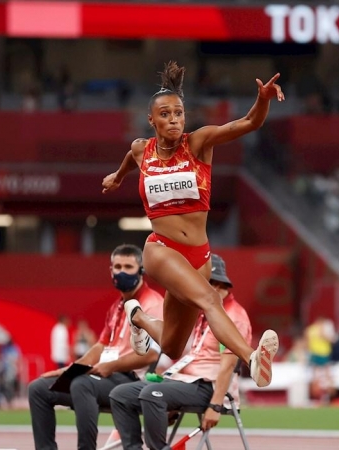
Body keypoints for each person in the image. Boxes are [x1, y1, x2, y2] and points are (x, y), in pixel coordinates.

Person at [102, 61, 283, 387]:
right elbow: (131, 158)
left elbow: (248, 122)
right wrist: (117, 177)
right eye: (165, 114)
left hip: (198, 256)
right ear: (151, 119)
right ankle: (251, 357)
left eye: (179, 113)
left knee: (171, 344)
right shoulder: (142, 150)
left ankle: (137, 316)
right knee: (209, 300)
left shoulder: (198, 143)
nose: (173, 120)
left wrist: (263, 99)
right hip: (160, 249)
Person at [28, 244, 164, 450]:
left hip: (133, 379)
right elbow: (100, 346)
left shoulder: (152, 303)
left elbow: (151, 356)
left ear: (141, 270)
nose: (122, 271)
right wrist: (72, 368)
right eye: (117, 266)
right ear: (111, 271)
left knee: (82, 384)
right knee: (38, 388)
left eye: (128, 266)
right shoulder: (117, 307)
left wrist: (111, 367)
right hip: (105, 376)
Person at [109, 254, 250, 450]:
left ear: (213, 285)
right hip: (187, 381)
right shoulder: (205, 311)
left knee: (152, 393)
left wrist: (216, 405)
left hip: (210, 387)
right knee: (120, 394)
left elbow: (228, 365)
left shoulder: (233, 317)